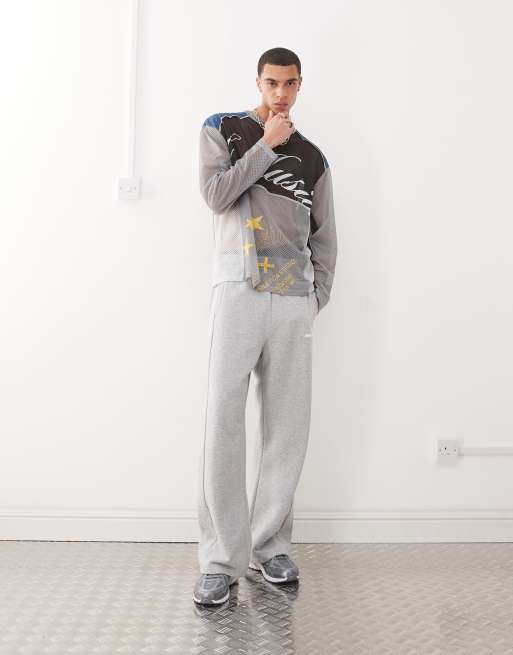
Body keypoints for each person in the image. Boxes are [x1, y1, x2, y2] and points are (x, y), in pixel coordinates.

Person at [193, 47, 338, 605]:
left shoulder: (314, 158)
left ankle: (270, 545)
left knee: (287, 427)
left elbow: (325, 234)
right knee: (223, 421)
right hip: (238, 288)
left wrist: (317, 295)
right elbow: (215, 195)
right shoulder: (222, 128)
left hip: (293, 298)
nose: (281, 93)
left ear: (300, 86)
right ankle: (219, 559)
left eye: (290, 83)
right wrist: (266, 144)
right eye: (272, 82)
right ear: (258, 81)